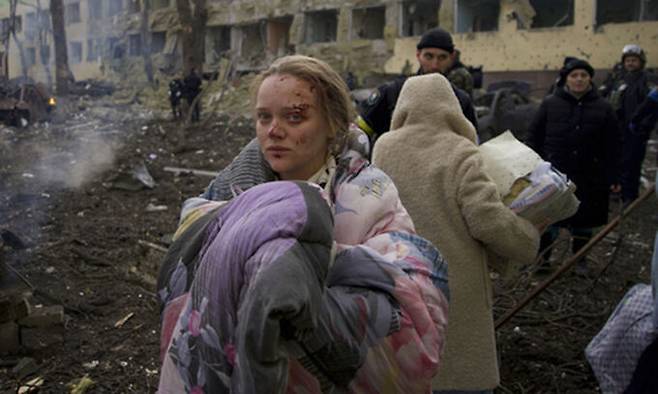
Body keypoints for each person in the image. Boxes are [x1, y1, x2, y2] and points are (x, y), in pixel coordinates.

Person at [157, 55, 450, 393]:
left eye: (295, 117)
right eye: (263, 117)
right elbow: (183, 282)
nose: (274, 131)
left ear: (333, 124)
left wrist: (303, 269)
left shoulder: (370, 196)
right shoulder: (226, 193)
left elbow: (412, 301)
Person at [372, 73, 540, 394]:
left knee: (407, 367)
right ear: (451, 108)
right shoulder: (461, 151)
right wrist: (527, 236)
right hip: (454, 285)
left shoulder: (384, 147)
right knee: (459, 373)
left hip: (399, 275)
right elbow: (487, 220)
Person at [526, 58, 622, 273]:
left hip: (590, 176)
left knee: (584, 221)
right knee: (549, 219)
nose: (579, 80)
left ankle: (579, 260)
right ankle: (543, 260)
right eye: (574, 75)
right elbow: (534, 135)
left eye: (583, 75)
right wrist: (531, 164)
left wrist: (614, 176)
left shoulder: (603, 108)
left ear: (590, 79)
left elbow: (614, 145)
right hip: (554, 174)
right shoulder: (550, 103)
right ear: (566, 79)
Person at [357, 27, 478, 145]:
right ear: (418, 55)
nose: (435, 65)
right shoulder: (392, 92)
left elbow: (471, 145)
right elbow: (358, 134)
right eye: (429, 56)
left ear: (451, 59)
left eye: (442, 57)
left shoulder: (461, 101)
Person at [601, 45, 655, 204]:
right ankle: (615, 190)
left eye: (634, 60)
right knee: (615, 160)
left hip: (636, 129)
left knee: (632, 163)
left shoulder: (647, 79)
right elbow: (604, 95)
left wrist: (643, 126)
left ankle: (630, 195)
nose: (630, 64)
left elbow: (651, 107)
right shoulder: (618, 78)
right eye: (628, 60)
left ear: (641, 62)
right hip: (617, 128)